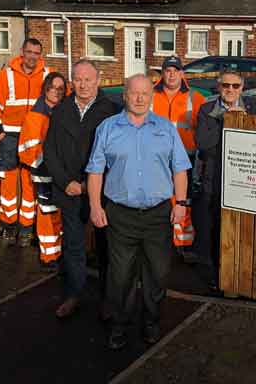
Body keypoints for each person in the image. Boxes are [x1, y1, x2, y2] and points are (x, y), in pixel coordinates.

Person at [86, 73, 191, 350]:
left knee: (157, 274)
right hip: (120, 215)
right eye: (135, 93)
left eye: (145, 93)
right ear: (125, 96)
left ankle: (151, 322)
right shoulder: (107, 128)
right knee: (120, 276)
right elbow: (95, 171)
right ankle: (119, 325)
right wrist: (96, 206)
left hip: (158, 215)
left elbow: (180, 168)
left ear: (151, 96)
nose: (140, 98)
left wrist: (180, 203)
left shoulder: (166, 128)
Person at [43, 59, 121, 318]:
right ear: (71, 81)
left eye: (88, 79)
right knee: (73, 245)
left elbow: (117, 155)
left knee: (106, 245)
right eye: (78, 79)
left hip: (100, 190)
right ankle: (73, 294)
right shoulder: (62, 109)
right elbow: (50, 151)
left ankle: (109, 299)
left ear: (98, 80)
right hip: (69, 190)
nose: (83, 84)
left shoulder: (111, 111)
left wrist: (90, 185)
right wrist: (66, 182)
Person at [192, 69, 256, 291]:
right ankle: (216, 276)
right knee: (215, 228)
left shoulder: (251, 105)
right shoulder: (207, 110)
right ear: (218, 87)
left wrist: (248, 119)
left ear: (242, 88)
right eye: (225, 86)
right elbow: (204, 143)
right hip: (215, 177)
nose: (230, 90)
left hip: (244, 178)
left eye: (235, 86)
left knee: (243, 227)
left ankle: (242, 276)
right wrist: (228, 119)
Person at [0, 38, 52, 247]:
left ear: (41, 54)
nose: (32, 56)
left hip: (35, 139)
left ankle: (25, 229)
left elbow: (61, 99)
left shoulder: (48, 76)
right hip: (11, 137)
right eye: (29, 52)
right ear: (22, 51)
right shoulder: (6, 75)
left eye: (36, 53)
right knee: (8, 185)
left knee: (31, 184)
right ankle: (8, 226)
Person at [152, 56, 206, 263]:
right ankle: (161, 241)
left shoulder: (196, 98)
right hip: (156, 159)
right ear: (163, 73)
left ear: (182, 74)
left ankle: (183, 244)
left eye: (176, 70)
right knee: (160, 200)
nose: (172, 74)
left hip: (186, 159)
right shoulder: (150, 95)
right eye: (168, 70)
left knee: (184, 200)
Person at [18, 72, 67, 269]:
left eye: (60, 89)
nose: (56, 92)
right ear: (46, 88)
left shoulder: (64, 112)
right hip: (43, 171)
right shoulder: (35, 115)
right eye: (52, 88)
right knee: (47, 213)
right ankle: (48, 257)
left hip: (62, 173)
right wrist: (51, 163)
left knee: (60, 214)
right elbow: (26, 150)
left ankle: (58, 251)